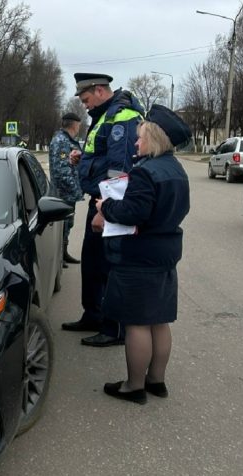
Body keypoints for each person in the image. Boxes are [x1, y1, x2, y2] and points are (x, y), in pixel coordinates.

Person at [91, 104, 191, 404]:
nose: (136, 142)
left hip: (139, 255)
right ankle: (156, 381)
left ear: (154, 138)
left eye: (140, 137)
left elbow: (133, 213)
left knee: (136, 323)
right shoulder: (176, 170)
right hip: (165, 252)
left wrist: (103, 207)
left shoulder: (146, 172)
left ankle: (134, 387)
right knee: (159, 320)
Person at [61, 73, 144, 347]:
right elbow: (102, 155)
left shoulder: (121, 116)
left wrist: (105, 211)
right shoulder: (104, 116)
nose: (84, 105)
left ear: (99, 90)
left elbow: (119, 169)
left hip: (109, 204)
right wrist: (81, 158)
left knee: (109, 266)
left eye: (85, 99)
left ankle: (114, 328)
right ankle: (94, 315)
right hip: (98, 200)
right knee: (93, 261)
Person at [49, 112, 84, 267]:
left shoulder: (68, 141)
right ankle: (59, 257)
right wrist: (74, 188)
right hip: (63, 193)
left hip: (68, 193)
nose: (79, 127)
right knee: (62, 225)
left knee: (67, 224)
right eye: (79, 124)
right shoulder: (61, 141)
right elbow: (61, 171)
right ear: (74, 124)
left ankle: (64, 253)